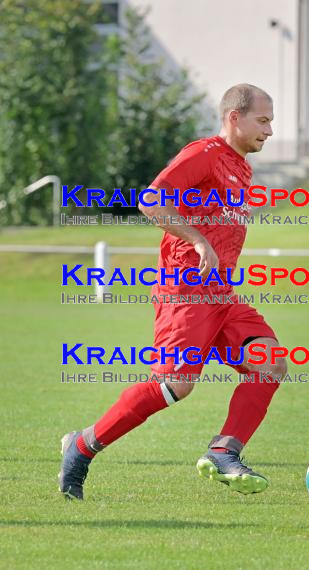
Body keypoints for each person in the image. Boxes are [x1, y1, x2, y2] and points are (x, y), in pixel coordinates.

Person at [59, 83, 287, 500]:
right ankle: (81, 446)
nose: (270, 130)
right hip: (186, 292)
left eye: (271, 121)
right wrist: (198, 240)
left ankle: (223, 452)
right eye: (263, 120)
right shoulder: (203, 154)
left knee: (270, 363)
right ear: (234, 118)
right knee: (175, 385)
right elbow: (151, 199)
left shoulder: (241, 167)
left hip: (221, 296)